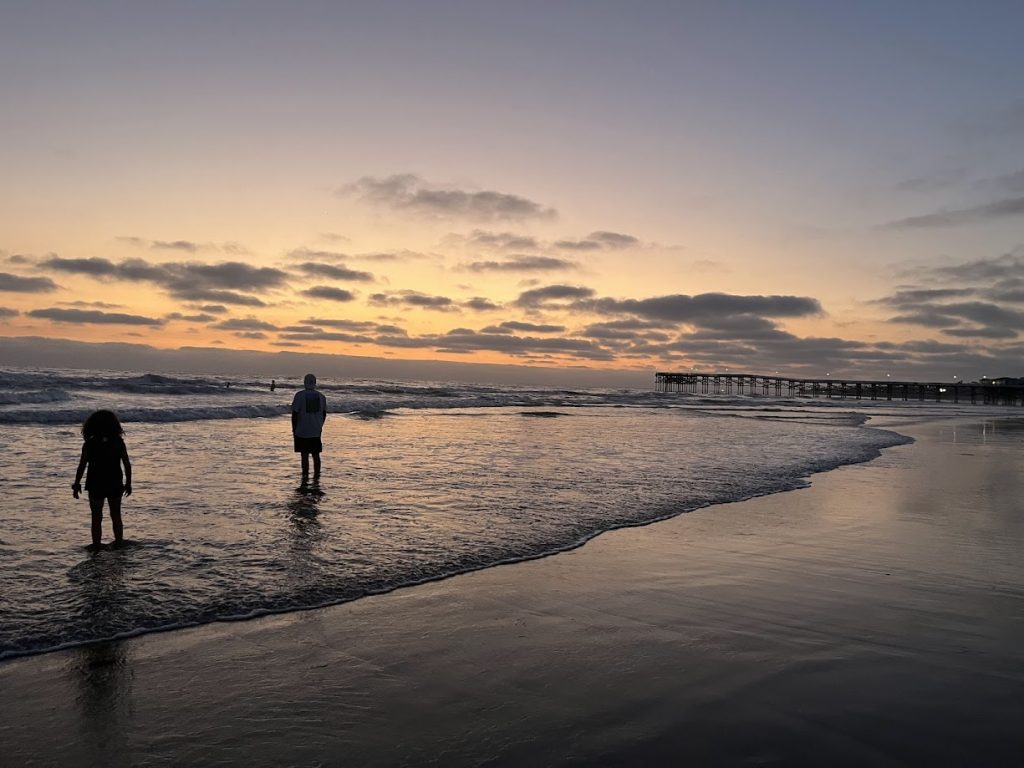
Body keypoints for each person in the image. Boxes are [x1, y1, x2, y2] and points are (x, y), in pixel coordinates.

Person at [72, 409, 132, 549]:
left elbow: (81, 466)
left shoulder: (89, 444)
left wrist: (76, 484)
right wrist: (128, 483)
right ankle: (118, 543)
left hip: (95, 482)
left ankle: (96, 545)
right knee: (116, 515)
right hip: (115, 481)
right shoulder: (118, 442)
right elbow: (127, 464)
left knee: (96, 517)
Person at [292, 373, 327, 481]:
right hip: (316, 430)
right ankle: (317, 476)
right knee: (316, 455)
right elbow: (324, 413)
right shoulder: (321, 396)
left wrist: (294, 428)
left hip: (302, 429)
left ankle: (305, 475)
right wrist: (320, 425)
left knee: (304, 455)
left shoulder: (299, 395)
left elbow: (295, 414)